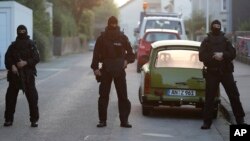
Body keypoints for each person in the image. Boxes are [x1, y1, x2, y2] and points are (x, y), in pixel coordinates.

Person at [199, 20, 247, 129]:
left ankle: (240, 120)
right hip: (212, 72)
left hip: (226, 72)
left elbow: (233, 53)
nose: (216, 28)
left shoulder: (226, 40)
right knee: (210, 98)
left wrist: (223, 55)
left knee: (234, 95)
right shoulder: (206, 41)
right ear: (211, 27)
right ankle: (207, 122)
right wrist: (213, 55)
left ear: (220, 27)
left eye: (218, 26)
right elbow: (201, 56)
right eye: (215, 26)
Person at [91, 16, 135, 128]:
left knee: (122, 96)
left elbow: (131, 54)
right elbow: (96, 54)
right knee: (104, 96)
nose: (114, 26)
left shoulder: (122, 37)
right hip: (106, 70)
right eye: (112, 24)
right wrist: (95, 68)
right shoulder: (102, 38)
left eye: (115, 24)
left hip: (119, 70)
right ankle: (103, 120)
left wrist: (126, 61)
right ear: (109, 24)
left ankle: (124, 121)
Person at [4, 25, 40, 127]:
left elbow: (36, 58)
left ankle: (34, 120)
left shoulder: (31, 44)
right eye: (20, 31)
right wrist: (12, 66)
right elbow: (7, 59)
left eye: (23, 30)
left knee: (33, 98)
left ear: (26, 31)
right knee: (10, 98)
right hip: (15, 76)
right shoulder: (13, 46)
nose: (22, 32)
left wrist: (26, 63)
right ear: (17, 32)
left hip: (28, 76)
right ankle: (8, 119)